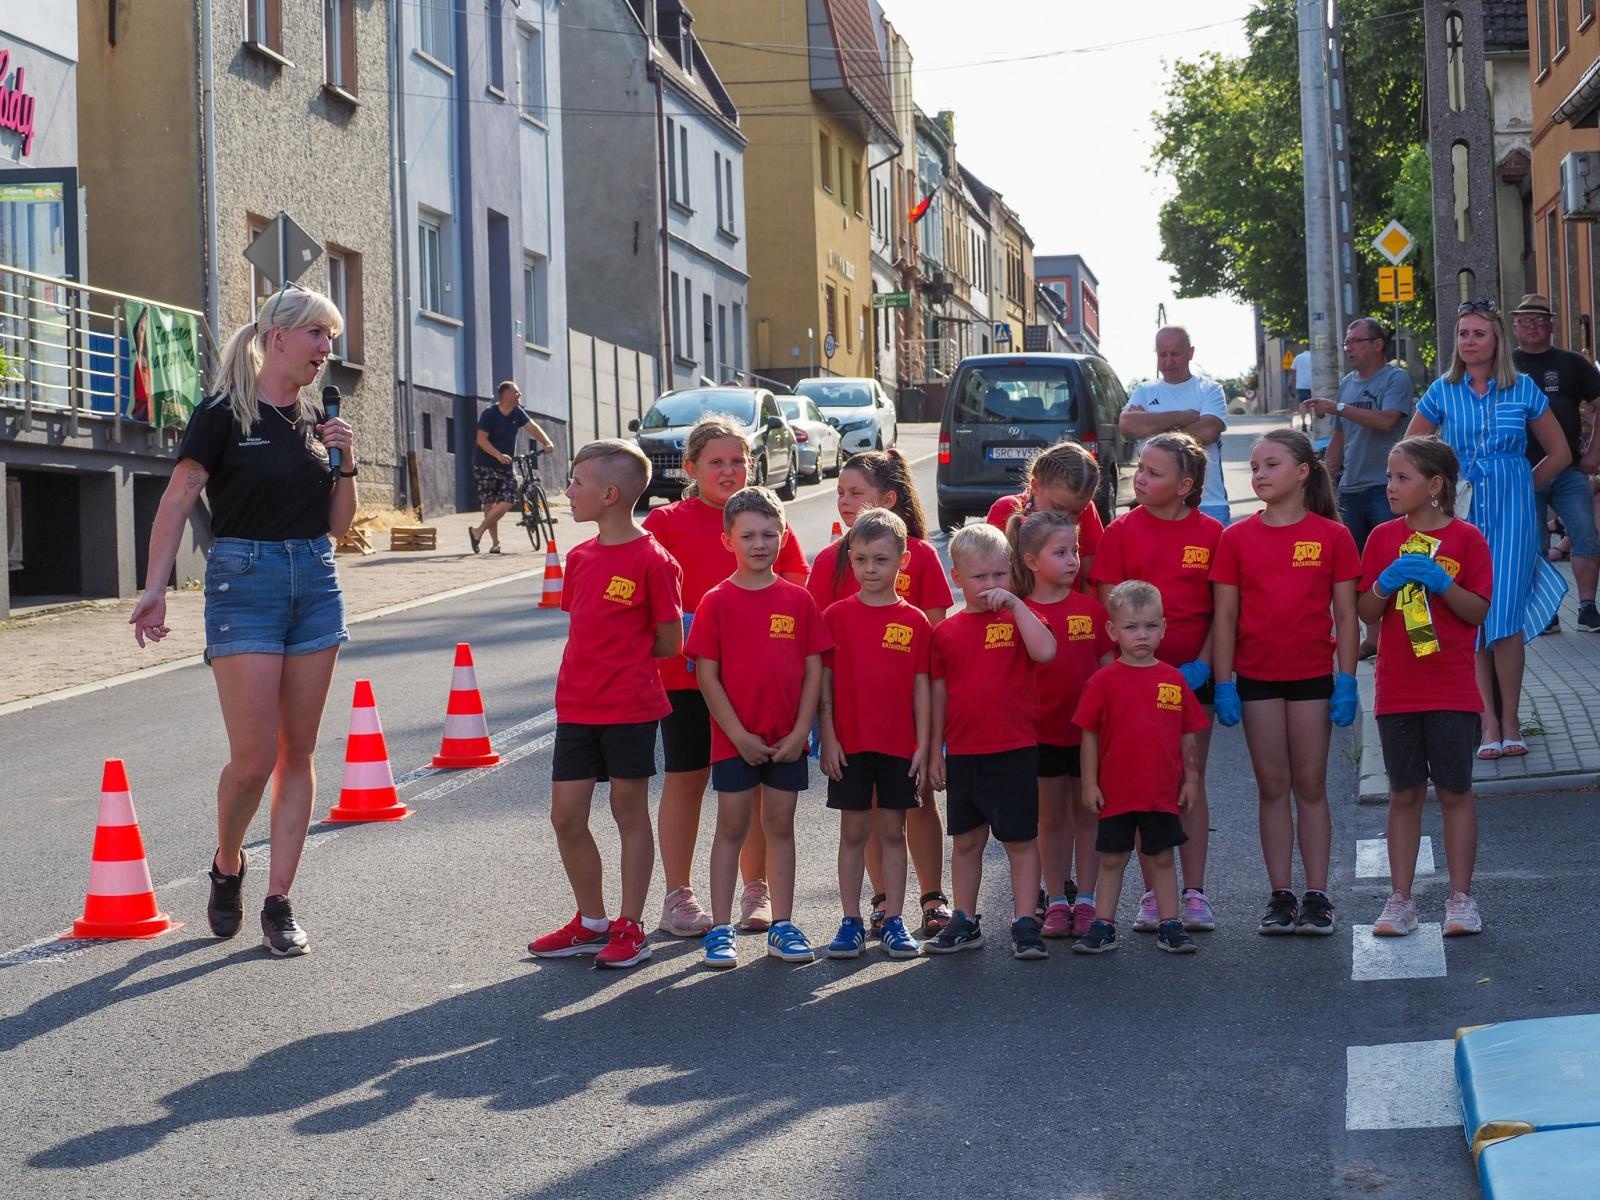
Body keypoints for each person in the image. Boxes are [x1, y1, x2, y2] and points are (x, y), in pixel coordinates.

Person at [128, 284, 354, 957]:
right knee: (253, 761)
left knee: (299, 753)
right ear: (278, 337)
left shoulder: (320, 417)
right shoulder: (223, 413)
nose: (325, 350)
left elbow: (339, 528)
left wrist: (343, 461)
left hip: (315, 579)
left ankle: (279, 902)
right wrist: (155, 588)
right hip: (243, 581)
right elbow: (178, 499)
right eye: (316, 334)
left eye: (332, 339)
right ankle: (229, 861)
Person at [643, 415, 808, 938]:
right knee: (687, 777)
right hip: (687, 678)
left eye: (738, 460)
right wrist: (685, 624)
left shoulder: (765, 517)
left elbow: (795, 582)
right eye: (716, 461)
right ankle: (678, 894)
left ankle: (755, 889)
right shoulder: (667, 521)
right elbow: (647, 584)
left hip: (756, 682)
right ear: (691, 467)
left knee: (756, 789)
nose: (729, 470)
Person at [527, 440, 683, 969]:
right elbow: (585, 630)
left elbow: (669, 641)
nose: (567, 492)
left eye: (576, 483)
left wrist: (628, 663)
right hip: (576, 707)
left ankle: (631, 925)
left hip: (630, 709)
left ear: (609, 495)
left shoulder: (654, 561)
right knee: (566, 816)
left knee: (627, 812)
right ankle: (591, 922)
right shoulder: (580, 557)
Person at [1210, 430, 1360, 936]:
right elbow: (1225, 618)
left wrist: (1347, 681)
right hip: (1256, 680)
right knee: (1272, 787)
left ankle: (1317, 895)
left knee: (1311, 786)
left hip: (1313, 679)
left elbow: (1346, 613)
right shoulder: (1235, 537)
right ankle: (1280, 894)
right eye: (1254, 467)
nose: (1259, 474)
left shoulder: (1332, 536)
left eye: (1270, 464)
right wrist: (1224, 682)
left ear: (1302, 472)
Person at [1405, 302, 1571, 759]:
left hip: (1515, 516)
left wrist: (1522, 487)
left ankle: (1512, 720)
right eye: (1462, 334)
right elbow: (1409, 450)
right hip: (1461, 512)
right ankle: (1486, 722)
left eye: (1479, 333)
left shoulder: (1523, 388)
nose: (1470, 342)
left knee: (1505, 617)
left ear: (1496, 340)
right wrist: (1437, 492)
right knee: (1470, 613)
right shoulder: (1442, 389)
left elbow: (1559, 453)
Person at [809, 449, 955, 938]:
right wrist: (820, 728)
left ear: (887, 500)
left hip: (904, 724)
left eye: (857, 493)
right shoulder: (833, 561)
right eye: (841, 493)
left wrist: (930, 734)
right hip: (852, 724)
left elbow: (930, 652)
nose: (846, 502)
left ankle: (931, 897)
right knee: (864, 817)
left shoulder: (919, 555)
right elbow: (820, 653)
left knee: (919, 806)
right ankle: (878, 903)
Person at [685, 486, 830, 968]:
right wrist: (738, 736)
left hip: (787, 741)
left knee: (780, 827)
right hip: (735, 742)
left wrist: (800, 731)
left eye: (770, 533)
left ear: (784, 535)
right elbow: (706, 674)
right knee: (731, 827)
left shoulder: (798, 600)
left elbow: (814, 669)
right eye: (747, 535)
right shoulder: (716, 601)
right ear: (728, 540)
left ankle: (784, 925)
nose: (759, 543)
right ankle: (720, 929)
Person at [1357, 436, 1491, 936]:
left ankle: (1461, 898)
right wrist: (1382, 585)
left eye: (1402, 478)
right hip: (1397, 688)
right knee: (1403, 793)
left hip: (1452, 686)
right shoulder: (1381, 538)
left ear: (1435, 486)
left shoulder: (1467, 539)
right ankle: (1401, 899)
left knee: (1455, 791)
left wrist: (1440, 581)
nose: (1390, 487)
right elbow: (1367, 612)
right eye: (1390, 477)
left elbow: (1478, 611)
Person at [1090, 432, 1224, 931]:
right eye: (1139, 469)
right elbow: (1108, 609)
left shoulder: (1212, 534)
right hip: (1133, 681)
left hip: (1191, 680)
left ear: (1185, 485)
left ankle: (1194, 892)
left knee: (1188, 777)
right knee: (1145, 784)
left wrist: (1207, 667)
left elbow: (1219, 613)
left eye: (1153, 472)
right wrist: (1117, 677)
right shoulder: (1121, 532)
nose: (1139, 478)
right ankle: (1153, 893)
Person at [926, 523, 1058, 959]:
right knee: (966, 841)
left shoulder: (1019, 618)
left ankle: (1024, 922)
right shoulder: (945, 633)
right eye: (979, 577)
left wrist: (1018, 605)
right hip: (965, 753)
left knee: (1020, 841)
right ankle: (964, 918)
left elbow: (1046, 651)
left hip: (1014, 749)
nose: (990, 586)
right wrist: (936, 751)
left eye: (1000, 575)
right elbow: (939, 694)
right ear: (956, 578)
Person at [1071, 580, 1208, 956]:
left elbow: (1188, 735)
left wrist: (1191, 781)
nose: (1141, 635)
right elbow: (1090, 737)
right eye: (1131, 627)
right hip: (1116, 790)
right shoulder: (1102, 682)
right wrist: (1089, 784)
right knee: (1113, 857)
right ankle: (1104, 925)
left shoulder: (1174, 680)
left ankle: (1170, 924)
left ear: (1164, 628)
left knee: (1162, 857)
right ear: (1113, 631)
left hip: (1160, 791)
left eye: (1150, 626)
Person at [818, 509, 930, 961]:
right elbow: (823, 687)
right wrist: (826, 737)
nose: (870, 569)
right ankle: (850, 921)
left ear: (902, 561)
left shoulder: (916, 621)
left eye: (880, 560)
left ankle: (895, 919)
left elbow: (922, 686)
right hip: (850, 745)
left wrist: (924, 743)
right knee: (854, 832)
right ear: (850, 558)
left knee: (892, 830)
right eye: (861, 559)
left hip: (899, 746)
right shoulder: (835, 617)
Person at [1011, 510, 1112, 938]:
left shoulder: (1090, 610)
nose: (1073, 560)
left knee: (1088, 815)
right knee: (1049, 818)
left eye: (1075, 550)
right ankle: (1055, 899)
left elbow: (1111, 672)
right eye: (1060, 552)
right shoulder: (1020, 613)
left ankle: (1086, 900)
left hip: (1087, 737)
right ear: (1032, 561)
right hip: (1040, 735)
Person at [1303, 318, 1415, 657]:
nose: (1349, 348)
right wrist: (1327, 480)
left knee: (1400, 562)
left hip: (1388, 486)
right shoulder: (1348, 383)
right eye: (1347, 342)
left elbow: (1387, 421)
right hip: (1352, 488)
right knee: (1357, 570)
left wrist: (1337, 407)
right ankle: (1372, 638)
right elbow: (1339, 436)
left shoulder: (1396, 378)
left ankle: (1415, 635)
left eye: (1356, 341)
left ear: (1378, 343)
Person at [1509, 293, 1600, 632]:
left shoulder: (1572, 363)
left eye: (1539, 320)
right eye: (1524, 320)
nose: (1532, 326)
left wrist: (1594, 452)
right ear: (1514, 327)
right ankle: (1544, 611)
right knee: (1533, 544)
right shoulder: (1504, 364)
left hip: (1568, 469)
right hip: (1521, 470)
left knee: (1586, 536)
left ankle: (1588, 607)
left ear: (1551, 325)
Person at [1121, 326, 1232, 525]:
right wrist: (1183, 416)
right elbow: (1127, 425)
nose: (1168, 361)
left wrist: (1150, 427)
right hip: (1157, 505)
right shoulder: (1144, 391)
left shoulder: (1210, 389)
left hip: (1209, 504)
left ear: (1190, 353)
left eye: (1175, 354)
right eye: (1162, 354)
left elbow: (1208, 431)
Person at [986, 439, 1105, 586]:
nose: (1065, 518)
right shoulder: (1005, 510)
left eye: (1076, 513)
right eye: (1058, 508)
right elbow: (988, 580)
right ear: (1035, 486)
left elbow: (1092, 581)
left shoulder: (1086, 511)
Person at [469, 381, 555, 555]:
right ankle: (495, 543)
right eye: (516, 392)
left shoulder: (517, 412)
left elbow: (533, 428)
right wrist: (498, 455)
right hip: (485, 464)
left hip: (506, 465)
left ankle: (477, 531)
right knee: (489, 503)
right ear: (505, 395)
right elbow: (481, 440)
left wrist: (547, 442)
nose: (519, 395)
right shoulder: (490, 414)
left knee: (508, 500)